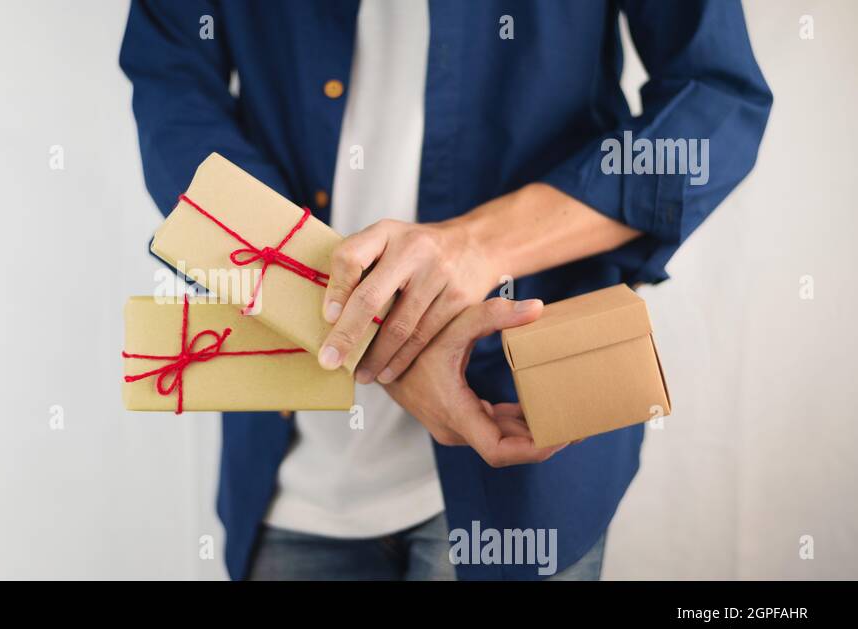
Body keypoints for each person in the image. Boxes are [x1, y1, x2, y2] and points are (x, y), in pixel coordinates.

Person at [119, 0, 771, 580]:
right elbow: (173, 93)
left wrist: (480, 244)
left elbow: (716, 101)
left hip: (527, 443)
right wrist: (366, 335)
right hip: (290, 468)